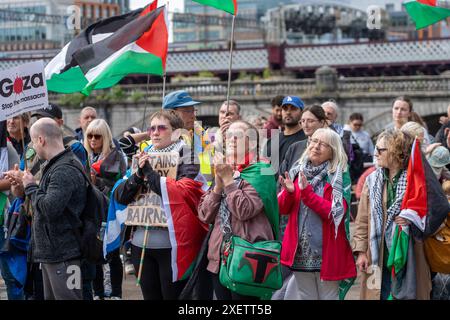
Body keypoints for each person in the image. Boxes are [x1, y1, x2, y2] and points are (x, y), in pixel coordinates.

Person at [114, 110, 207, 300]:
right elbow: (120, 197)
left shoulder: (187, 157)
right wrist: (138, 175)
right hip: (141, 242)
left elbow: (180, 193)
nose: (155, 133)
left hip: (173, 245)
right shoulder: (143, 156)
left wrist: (149, 173)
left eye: (161, 128)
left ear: (175, 132)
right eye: (152, 128)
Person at [198, 120, 279, 300]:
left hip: (248, 258)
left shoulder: (262, 170)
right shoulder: (226, 169)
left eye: (238, 136)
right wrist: (218, 188)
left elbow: (244, 210)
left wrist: (228, 181)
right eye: (228, 136)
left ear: (251, 143)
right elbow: (204, 214)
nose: (231, 140)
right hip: (219, 257)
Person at [352, 129, 432, 300]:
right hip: (378, 254)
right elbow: (363, 219)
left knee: (409, 293)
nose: (376, 153)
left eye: (381, 150)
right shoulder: (372, 180)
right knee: (379, 294)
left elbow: (433, 211)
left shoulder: (416, 180)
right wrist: (361, 252)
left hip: (410, 253)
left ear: (397, 152)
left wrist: (413, 218)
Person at [278, 128, 356, 300]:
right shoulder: (297, 171)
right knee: (305, 297)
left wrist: (308, 195)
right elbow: (283, 210)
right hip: (299, 253)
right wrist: (289, 193)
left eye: (323, 144)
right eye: (314, 141)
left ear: (332, 151)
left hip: (327, 253)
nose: (316, 146)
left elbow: (336, 213)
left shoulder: (338, 176)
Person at [18, 118, 86, 300]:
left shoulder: (63, 169)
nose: (32, 146)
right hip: (53, 254)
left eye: (33, 141)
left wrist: (31, 187)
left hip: (63, 255)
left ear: (41, 140)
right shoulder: (56, 164)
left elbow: (49, 208)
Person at [84, 119, 126, 300]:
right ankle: (98, 293)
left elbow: (120, 187)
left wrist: (96, 182)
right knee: (93, 254)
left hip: (110, 211)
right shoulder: (83, 156)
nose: (93, 139)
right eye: (90, 135)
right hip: (91, 212)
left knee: (112, 253)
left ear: (106, 137)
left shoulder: (116, 156)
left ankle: (116, 293)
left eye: (97, 136)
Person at [159, 90, 215, 187]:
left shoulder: (202, 137)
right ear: (172, 113)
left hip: (203, 196)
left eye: (193, 111)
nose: (193, 115)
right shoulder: (156, 140)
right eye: (188, 111)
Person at [279, 104, 328, 176]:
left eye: (310, 121)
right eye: (303, 121)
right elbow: (282, 176)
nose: (305, 125)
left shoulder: (330, 147)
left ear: (322, 122)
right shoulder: (294, 147)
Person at [265, 96, 306, 172]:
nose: (288, 112)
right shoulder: (272, 140)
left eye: (293, 108)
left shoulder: (307, 140)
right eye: (285, 109)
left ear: (302, 112)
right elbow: (266, 171)